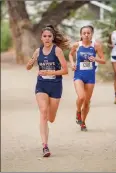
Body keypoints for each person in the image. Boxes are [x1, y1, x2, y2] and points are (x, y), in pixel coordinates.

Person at [26, 25, 70, 157]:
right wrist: (29, 64)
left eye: (49, 36)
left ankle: (49, 123)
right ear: (41, 38)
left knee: (51, 118)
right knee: (43, 112)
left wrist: (50, 72)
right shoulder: (37, 51)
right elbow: (28, 67)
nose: (47, 38)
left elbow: (65, 71)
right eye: (44, 36)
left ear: (52, 38)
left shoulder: (57, 51)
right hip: (42, 85)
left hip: (55, 85)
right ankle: (45, 146)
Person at [69, 25, 105, 131]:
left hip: (90, 76)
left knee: (87, 101)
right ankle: (78, 111)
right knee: (81, 97)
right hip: (79, 74)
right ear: (81, 34)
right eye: (84, 33)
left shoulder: (96, 45)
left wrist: (95, 59)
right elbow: (70, 55)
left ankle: (83, 122)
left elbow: (103, 60)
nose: (86, 35)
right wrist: (72, 64)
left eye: (88, 33)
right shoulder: (77, 45)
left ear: (92, 34)